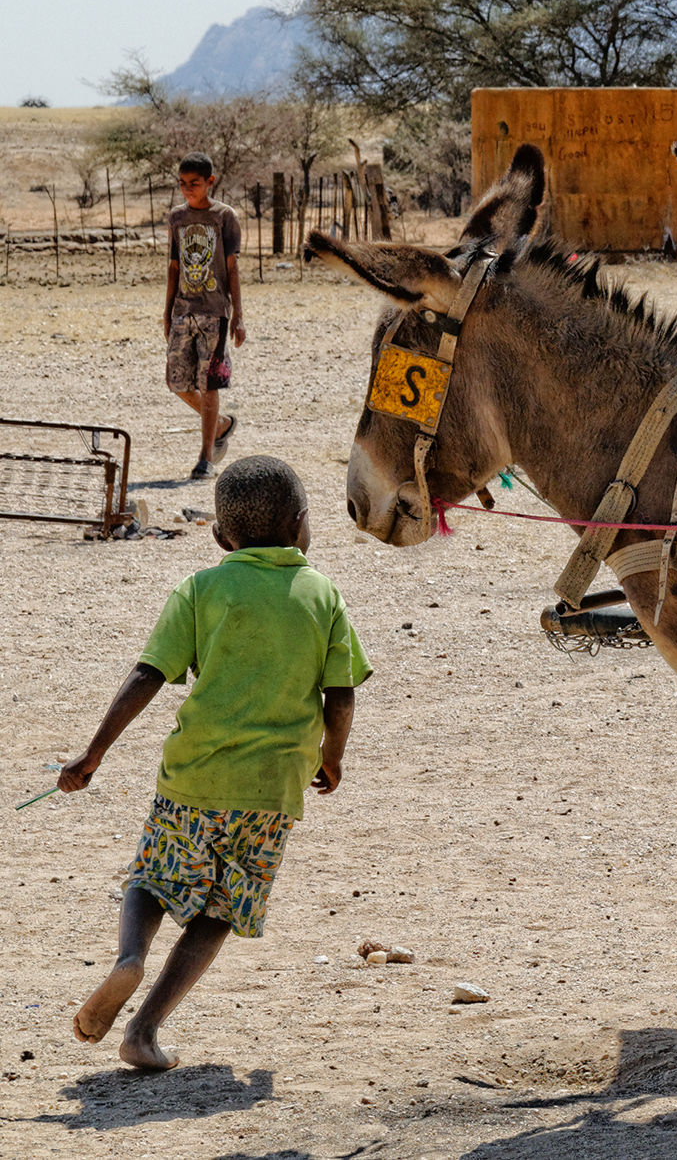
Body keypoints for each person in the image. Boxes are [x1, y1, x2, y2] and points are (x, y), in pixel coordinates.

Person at [57, 456, 370, 1070]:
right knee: (222, 908)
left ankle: (129, 958)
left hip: (193, 779)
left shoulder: (201, 589)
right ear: (301, 524)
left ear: (222, 537)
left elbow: (148, 674)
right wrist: (332, 759)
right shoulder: (322, 595)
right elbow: (341, 694)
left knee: (152, 878)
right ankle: (143, 1029)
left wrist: (94, 753)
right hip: (271, 790)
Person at [165, 152, 244, 479]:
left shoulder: (224, 217)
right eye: (182, 183)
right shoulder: (177, 217)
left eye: (194, 183)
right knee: (177, 382)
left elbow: (232, 267)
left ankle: (205, 457)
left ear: (210, 182)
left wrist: (238, 315)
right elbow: (173, 266)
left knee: (209, 383)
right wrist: (167, 312)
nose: (188, 189)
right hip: (183, 310)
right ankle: (221, 425)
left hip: (215, 311)